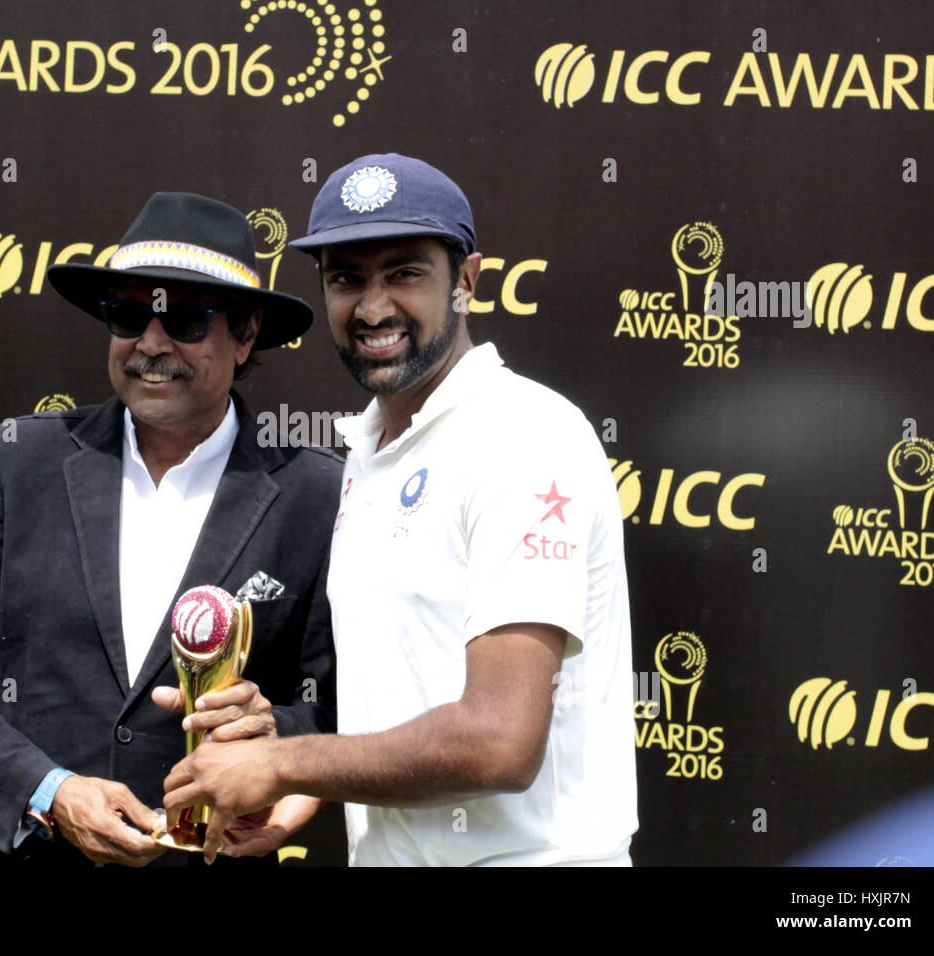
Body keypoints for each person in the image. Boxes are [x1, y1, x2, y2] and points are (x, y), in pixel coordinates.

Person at [163, 154, 638, 866]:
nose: (373, 306)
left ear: (466, 283)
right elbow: (403, 695)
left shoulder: (525, 436)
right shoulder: (370, 450)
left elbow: (500, 744)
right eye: (346, 277)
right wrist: (301, 789)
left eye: (404, 273)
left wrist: (285, 764)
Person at [0, 192, 341, 866]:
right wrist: (50, 792)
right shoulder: (17, 461)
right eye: (130, 315)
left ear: (245, 336)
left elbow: (340, 710)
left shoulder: (317, 494)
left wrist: (273, 734)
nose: (151, 343)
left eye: (186, 321)